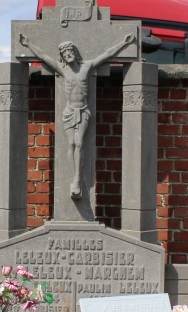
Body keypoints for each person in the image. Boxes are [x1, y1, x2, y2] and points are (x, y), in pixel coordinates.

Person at [18, 31, 136, 198]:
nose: (68, 55)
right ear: (63, 57)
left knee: (79, 143)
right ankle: (73, 178)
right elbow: (44, 57)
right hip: (69, 111)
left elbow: (106, 55)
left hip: (83, 110)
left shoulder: (86, 66)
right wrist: (28, 44)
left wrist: (124, 43)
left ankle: (77, 180)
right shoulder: (62, 69)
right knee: (71, 145)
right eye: (65, 53)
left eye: (70, 51)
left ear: (74, 52)